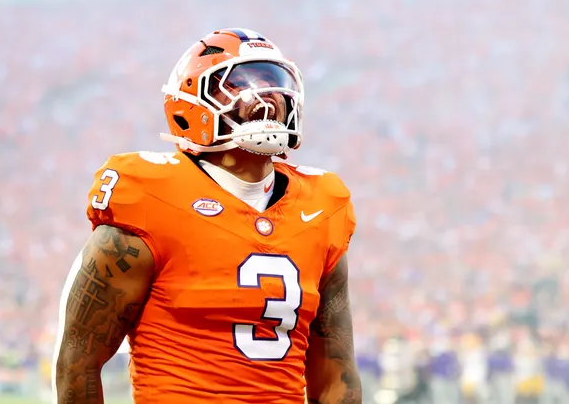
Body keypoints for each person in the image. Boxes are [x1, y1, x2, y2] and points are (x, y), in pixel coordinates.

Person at [52, 28, 361, 404]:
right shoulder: (151, 197)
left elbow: (337, 370)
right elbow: (77, 361)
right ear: (191, 102)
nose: (265, 98)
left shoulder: (323, 207)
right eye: (241, 84)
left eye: (272, 83)